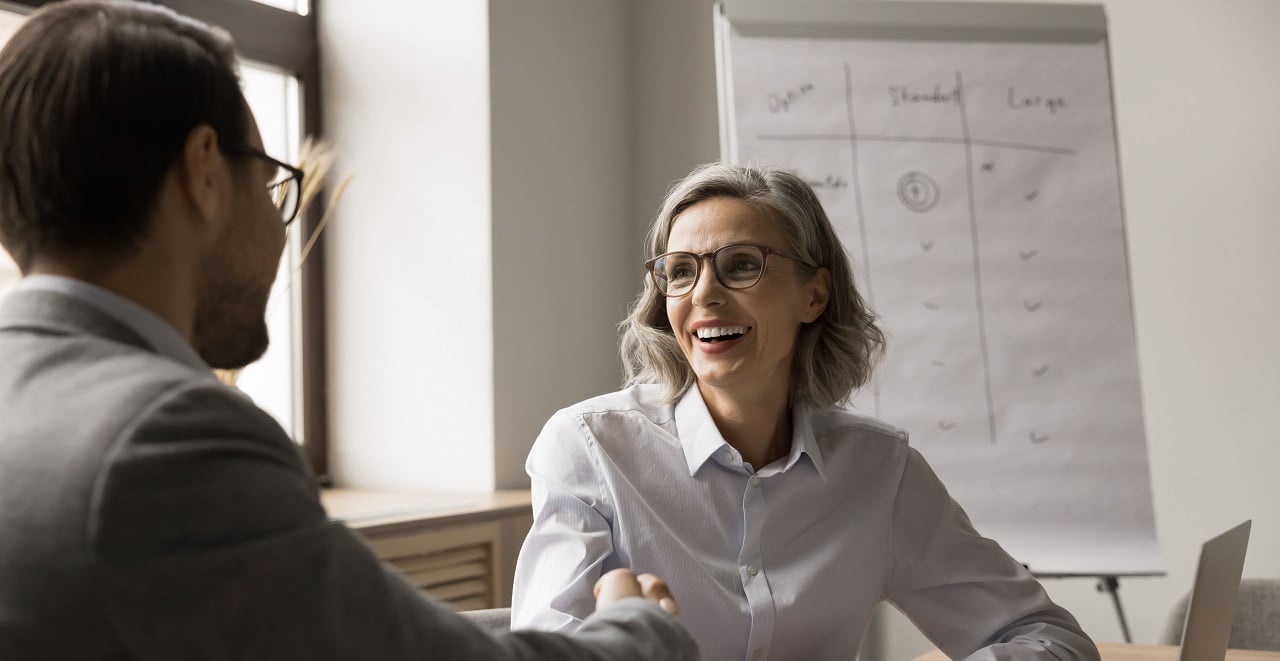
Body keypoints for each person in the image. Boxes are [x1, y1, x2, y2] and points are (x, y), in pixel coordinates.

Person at [0, 2, 697, 659]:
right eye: (273, 184)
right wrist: (641, 631)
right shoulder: (163, 435)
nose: (281, 229)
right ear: (204, 170)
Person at [510, 162, 1102, 660]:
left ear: (814, 295)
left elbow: (1052, 639)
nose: (704, 294)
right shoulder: (589, 447)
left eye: (741, 264)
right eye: (681, 271)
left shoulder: (879, 469)